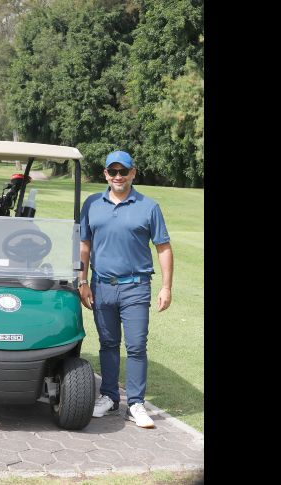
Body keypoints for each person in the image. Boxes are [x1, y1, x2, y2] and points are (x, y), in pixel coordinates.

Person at [78, 150, 173, 428]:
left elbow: (163, 248)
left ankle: (135, 403)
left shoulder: (149, 206)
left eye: (123, 171)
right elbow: (84, 245)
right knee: (108, 344)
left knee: (135, 346)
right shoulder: (92, 204)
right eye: (113, 172)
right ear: (105, 174)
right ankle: (108, 396)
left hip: (136, 286)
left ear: (133, 173)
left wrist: (166, 287)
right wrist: (82, 280)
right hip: (101, 286)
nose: (118, 176)